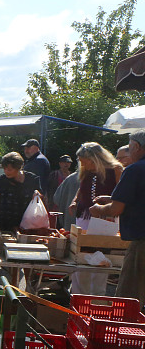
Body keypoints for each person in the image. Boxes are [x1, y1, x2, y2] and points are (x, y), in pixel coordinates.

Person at [90, 129, 145, 304]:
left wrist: (100, 209)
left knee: (129, 298)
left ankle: (124, 330)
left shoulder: (134, 170)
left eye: (129, 148)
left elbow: (115, 209)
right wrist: (114, 200)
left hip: (141, 242)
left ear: (136, 147)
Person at [69, 142, 123, 295]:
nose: (82, 163)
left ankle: (96, 297)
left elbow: (121, 195)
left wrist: (108, 205)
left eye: (84, 160)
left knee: (101, 256)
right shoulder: (86, 171)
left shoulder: (116, 169)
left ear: (95, 158)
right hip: (84, 217)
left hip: (105, 219)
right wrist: (74, 201)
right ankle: (78, 296)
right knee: (80, 254)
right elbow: (81, 189)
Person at [0, 152, 41, 232]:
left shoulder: (32, 179)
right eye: (4, 169)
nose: (6, 172)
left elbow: (41, 198)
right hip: (4, 225)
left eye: (9, 169)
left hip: (26, 225)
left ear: (19, 167)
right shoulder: (0, 181)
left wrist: (37, 194)